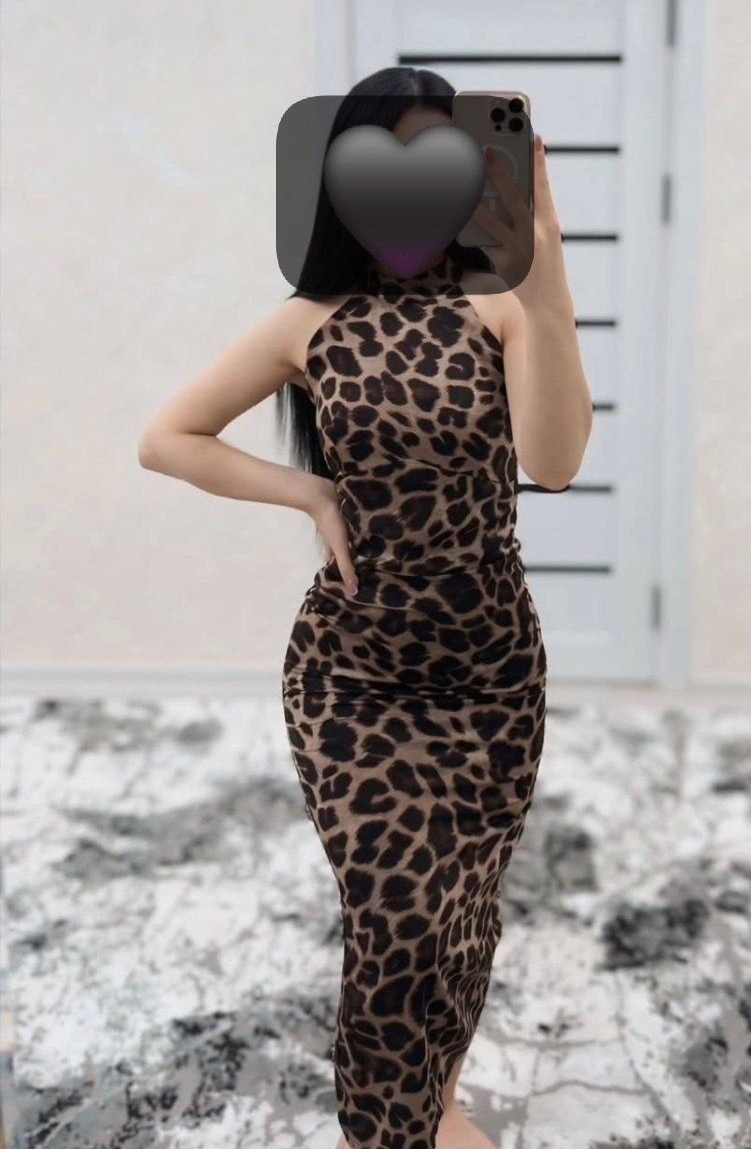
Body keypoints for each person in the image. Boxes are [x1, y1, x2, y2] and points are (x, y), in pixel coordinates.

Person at [138, 66, 593, 1149]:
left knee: (462, 913)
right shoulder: (307, 323)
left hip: (489, 671)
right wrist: (311, 491)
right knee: (395, 921)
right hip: (354, 669)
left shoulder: (503, 308)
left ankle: (437, 1100)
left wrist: (547, 271)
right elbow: (167, 438)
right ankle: (379, 1133)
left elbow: (555, 463)